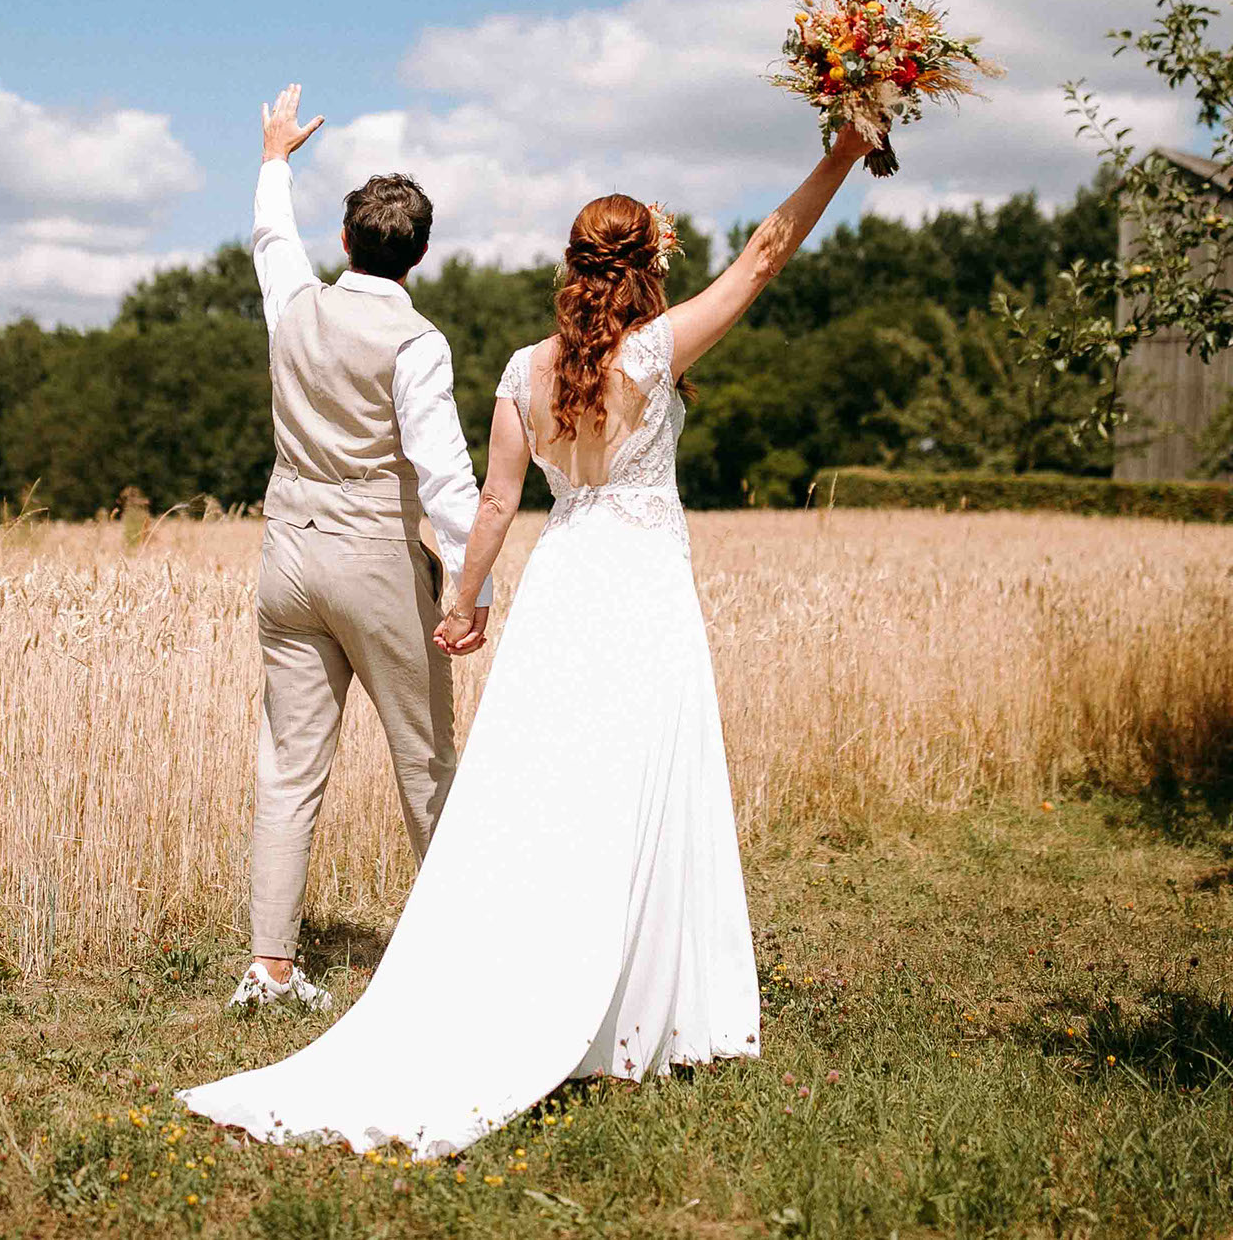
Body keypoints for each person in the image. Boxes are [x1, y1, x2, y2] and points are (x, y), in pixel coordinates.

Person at [182, 124, 873, 1155]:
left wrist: (466, 601)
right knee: (645, 783)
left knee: (551, 788)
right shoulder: (656, 349)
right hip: (640, 584)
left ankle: (469, 965)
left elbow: (500, 500)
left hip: (556, 584)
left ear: (569, 265)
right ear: (647, 266)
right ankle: (647, 1010)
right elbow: (767, 251)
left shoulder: (517, 370)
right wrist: (841, 155)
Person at [227, 84, 493, 1012]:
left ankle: (268, 967)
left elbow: (269, 241)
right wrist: (471, 588)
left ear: (345, 243)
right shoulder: (418, 341)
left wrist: (274, 159)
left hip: (286, 553)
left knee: (288, 763)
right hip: (379, 555)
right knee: (424, 757)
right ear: (420, 255)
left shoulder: (295, 304)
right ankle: (464, 948)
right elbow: (447, 476)